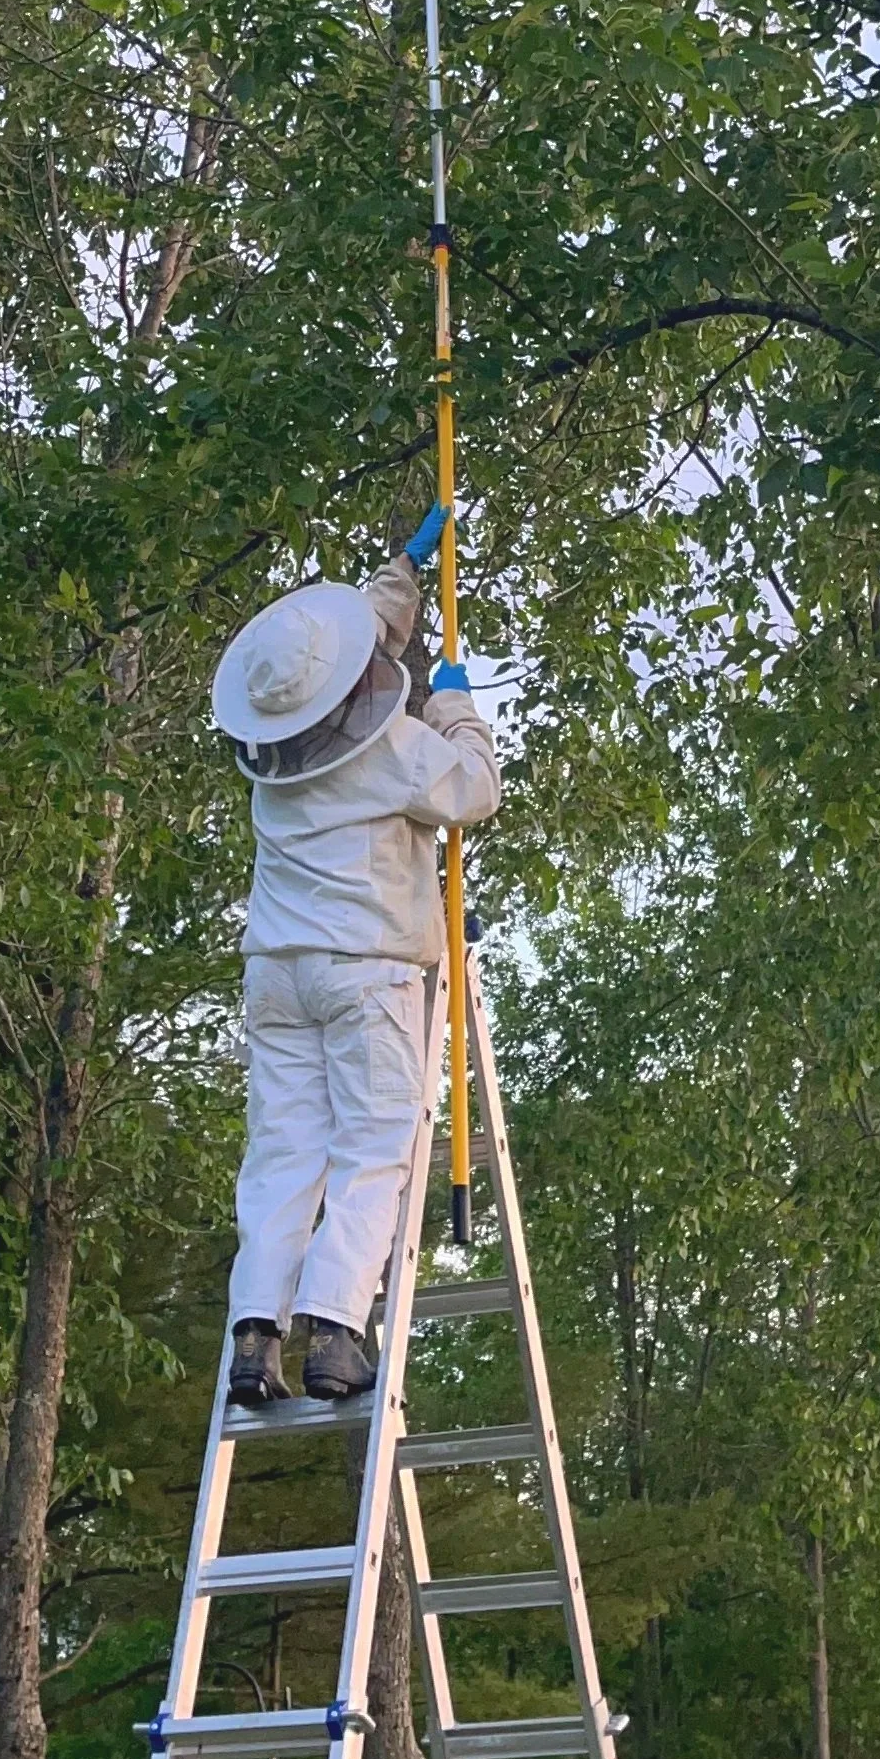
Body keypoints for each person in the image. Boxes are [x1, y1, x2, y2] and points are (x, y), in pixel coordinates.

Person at [211, 531, 500, 1408]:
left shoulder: (275, 769)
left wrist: (405, 573)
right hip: (366, 973)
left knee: (282, 1154)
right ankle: (337, 1328)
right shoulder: (393, 750)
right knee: (374, 1151)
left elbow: (347, 654)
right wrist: (455, 711)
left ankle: (257, 1334)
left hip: (278, 975)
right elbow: (475, 789)